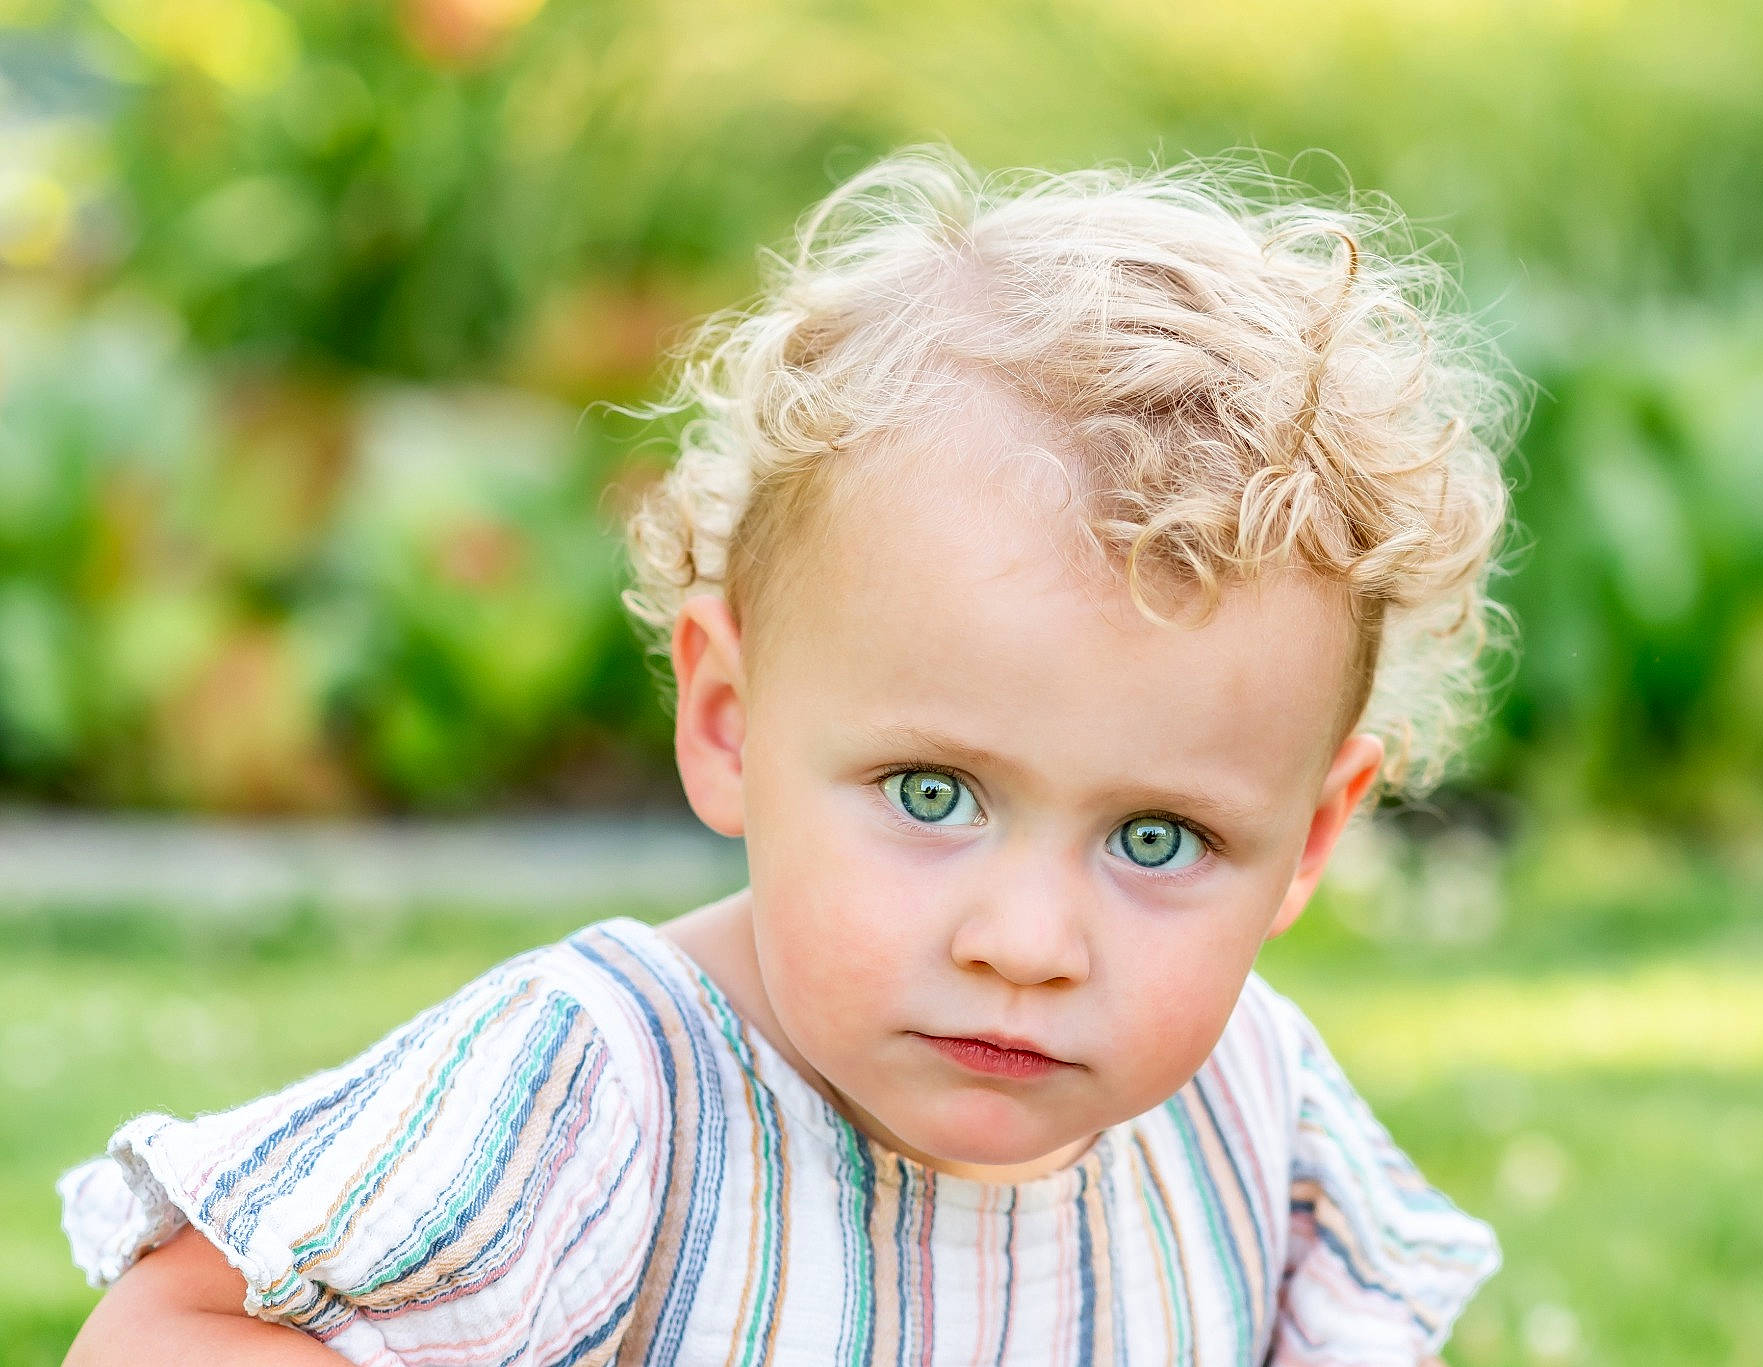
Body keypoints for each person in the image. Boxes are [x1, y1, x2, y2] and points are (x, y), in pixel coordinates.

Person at [59, 144, 1520, 1366]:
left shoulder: (1250, 1114)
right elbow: (173, 1333)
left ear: (1311, 842)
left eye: (1158, 839)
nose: (1026, 942)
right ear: (726, 723)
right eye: (932, 795)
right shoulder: (610, 1093)